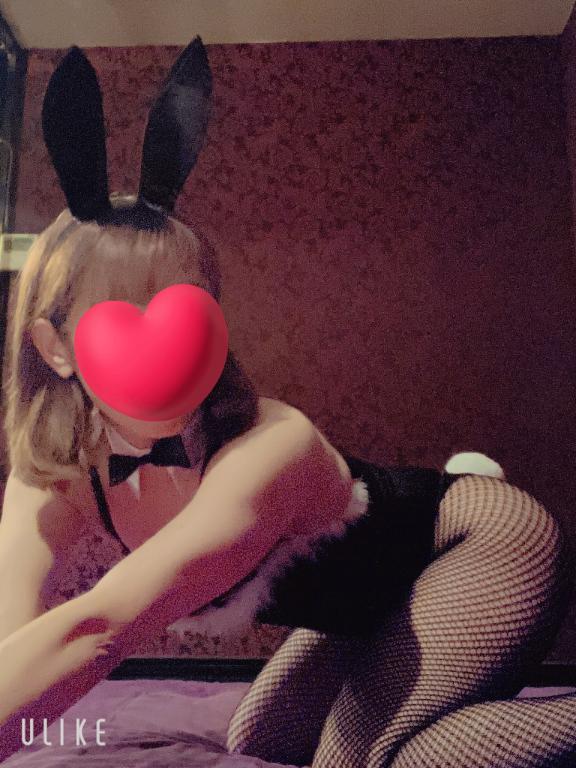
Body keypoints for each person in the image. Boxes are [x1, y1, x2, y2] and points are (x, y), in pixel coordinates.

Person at [0, 37, 574, 767]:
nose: (159, 331)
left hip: (478, 545)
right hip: (367, 607)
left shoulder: (273, 444)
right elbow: (14, 640)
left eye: (182, 301)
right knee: (261, 742)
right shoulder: (54, 471)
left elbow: (100, 628)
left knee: (370, 762)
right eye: (120, 307)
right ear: (53, 347)